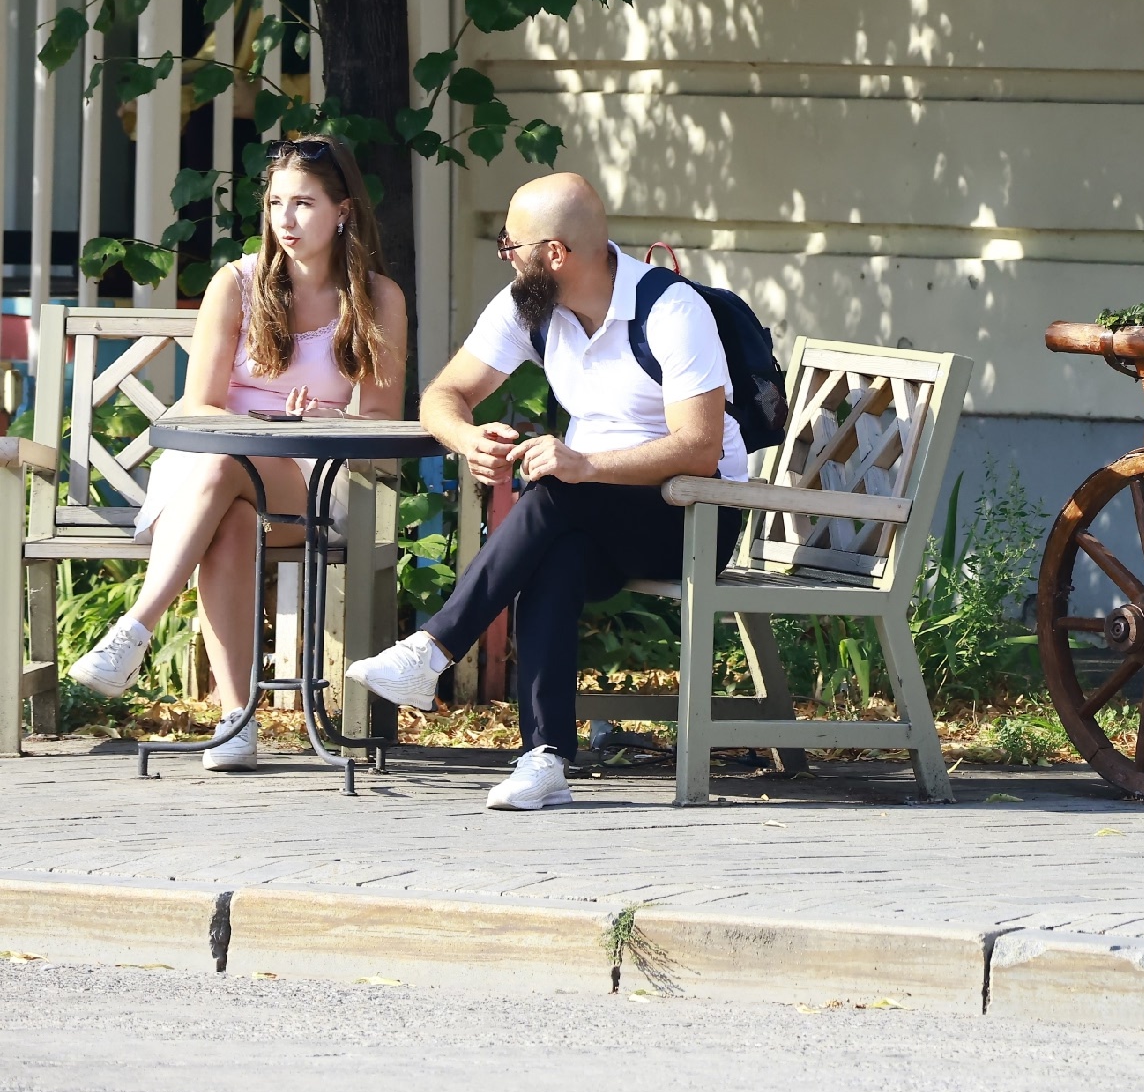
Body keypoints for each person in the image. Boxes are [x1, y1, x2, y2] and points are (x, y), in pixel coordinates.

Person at [345, 172, 745, 812]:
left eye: (512, 246)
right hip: (592, 508)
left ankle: (435, 647)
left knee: (555, 495)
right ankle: (545, 757)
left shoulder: (670, 310)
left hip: (694, 514)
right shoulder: (527, 308)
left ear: (554, 254)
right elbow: (443, 397)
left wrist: (583, 463)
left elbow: (699, 445)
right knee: (554, 552)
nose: (505, 258)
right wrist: (467, 440)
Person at [67, 137, 410, 771]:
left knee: (228, 469)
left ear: (342, 210)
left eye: (304, 203)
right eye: (277, 201)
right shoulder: (238, 283)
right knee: (228, 513)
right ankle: (236, 721)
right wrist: (262, 419)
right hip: (214, 469)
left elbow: (383, 420)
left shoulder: (377, 297)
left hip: (314, 470)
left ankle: (137, 626)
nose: (286, 218)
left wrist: (322, 420)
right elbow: (197, 405)